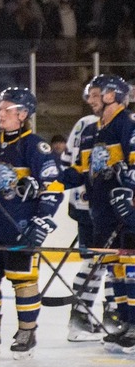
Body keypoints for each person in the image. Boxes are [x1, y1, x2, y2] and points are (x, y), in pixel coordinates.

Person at [0, 88, 63, 358]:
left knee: (23, 281)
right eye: (0, 109)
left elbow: (54, 187)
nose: (1, 114)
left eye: (7, 110)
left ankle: (27, 331)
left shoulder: (35, 146)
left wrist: (42, 220)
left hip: (20, 227)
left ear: (23, 114)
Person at [68, 75, 135, 351]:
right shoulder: (90, 130)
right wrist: (47, 182)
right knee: (115, 268)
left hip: (126, 212)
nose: (91, 100)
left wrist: (129, 189)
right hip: (102, 212)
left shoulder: (128, 124)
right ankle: (125, 323)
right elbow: (79, 171)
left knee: (131, 267)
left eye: (96, 95)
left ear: (112, 95)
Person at [60, 105, 107, 341]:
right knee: (113, 262)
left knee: (96, 262)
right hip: (104, 206)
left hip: (83, 203)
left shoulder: (84, 123)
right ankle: (116, 317)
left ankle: (81, 317)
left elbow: (67, 163)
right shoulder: (96, 124)